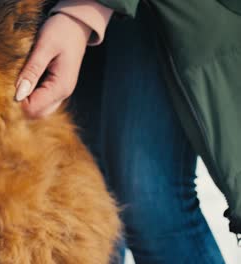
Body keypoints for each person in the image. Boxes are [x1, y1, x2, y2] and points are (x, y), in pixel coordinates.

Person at [15, 0, 241, 263]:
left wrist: (82, 11)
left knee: (148, 197)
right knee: (87, 194)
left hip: (158, 13)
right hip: (47, 12)